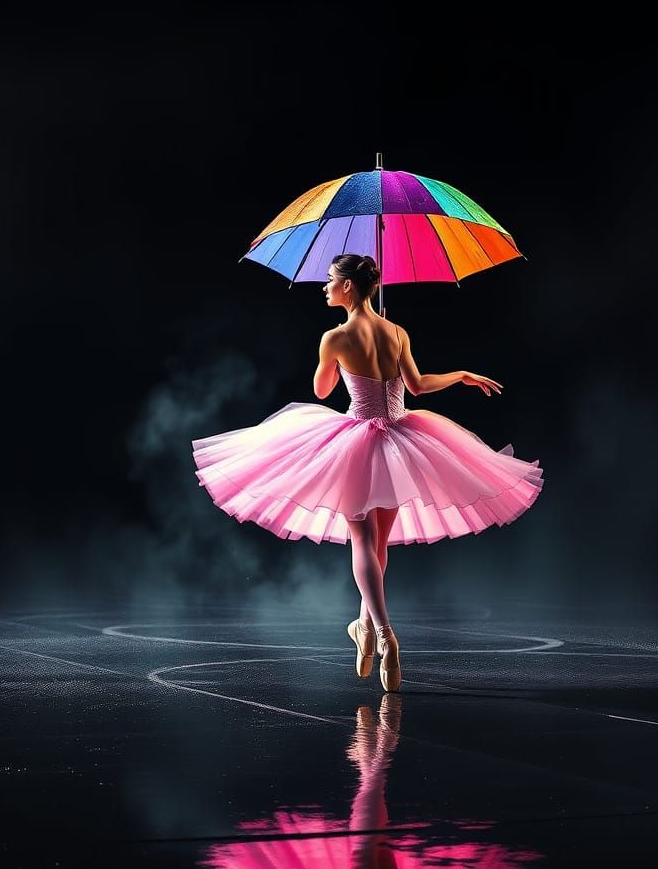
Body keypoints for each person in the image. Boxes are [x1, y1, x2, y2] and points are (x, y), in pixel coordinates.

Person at [191, 253, 544, 693]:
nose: (324, 287)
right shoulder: (396, 331)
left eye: (330, 280)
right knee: (379, 545)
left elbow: (321, 390)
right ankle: (364, 628)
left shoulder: (334, 337)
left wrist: (332, 361)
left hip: (357, 441)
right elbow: (416, 387)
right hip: (400, 441)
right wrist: (461, 375)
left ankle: (384, 635)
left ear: (350, 288)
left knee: (362, 541)